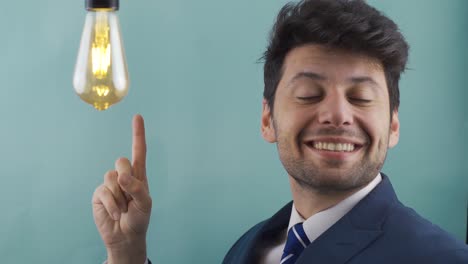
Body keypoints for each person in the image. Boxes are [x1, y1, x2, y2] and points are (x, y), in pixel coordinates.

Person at [91, 0, 468, 263]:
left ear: (394, 124)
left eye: (361, 97)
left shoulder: (443, 258)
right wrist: (128, 255)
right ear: (267, 119)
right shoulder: (249, 248)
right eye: (308, 94)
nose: (337, 114)